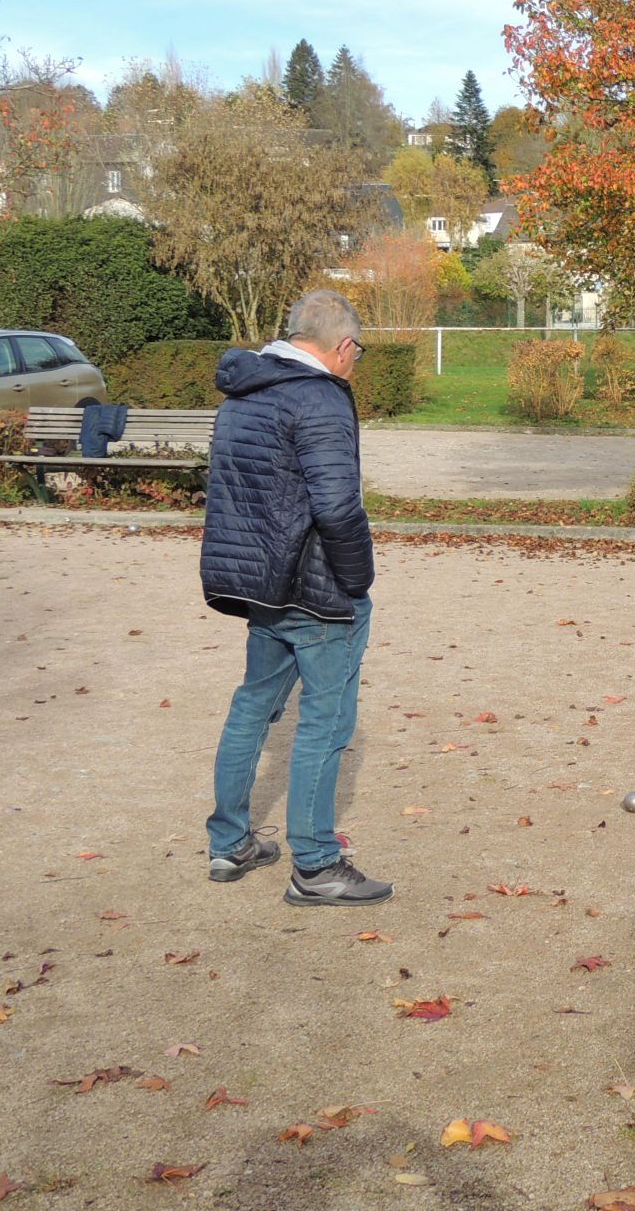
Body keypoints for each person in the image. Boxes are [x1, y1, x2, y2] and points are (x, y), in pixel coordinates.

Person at [201, 289, 392, 906]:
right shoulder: (321, 399)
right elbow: (338, 506)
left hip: (261, 584)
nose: (356, 362)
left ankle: (229, 843)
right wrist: (357, 579)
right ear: (341, 346)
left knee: (253, 706)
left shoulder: (243, 392)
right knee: (326, 721)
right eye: (356, 351)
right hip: (316, 589)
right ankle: (315, 865)